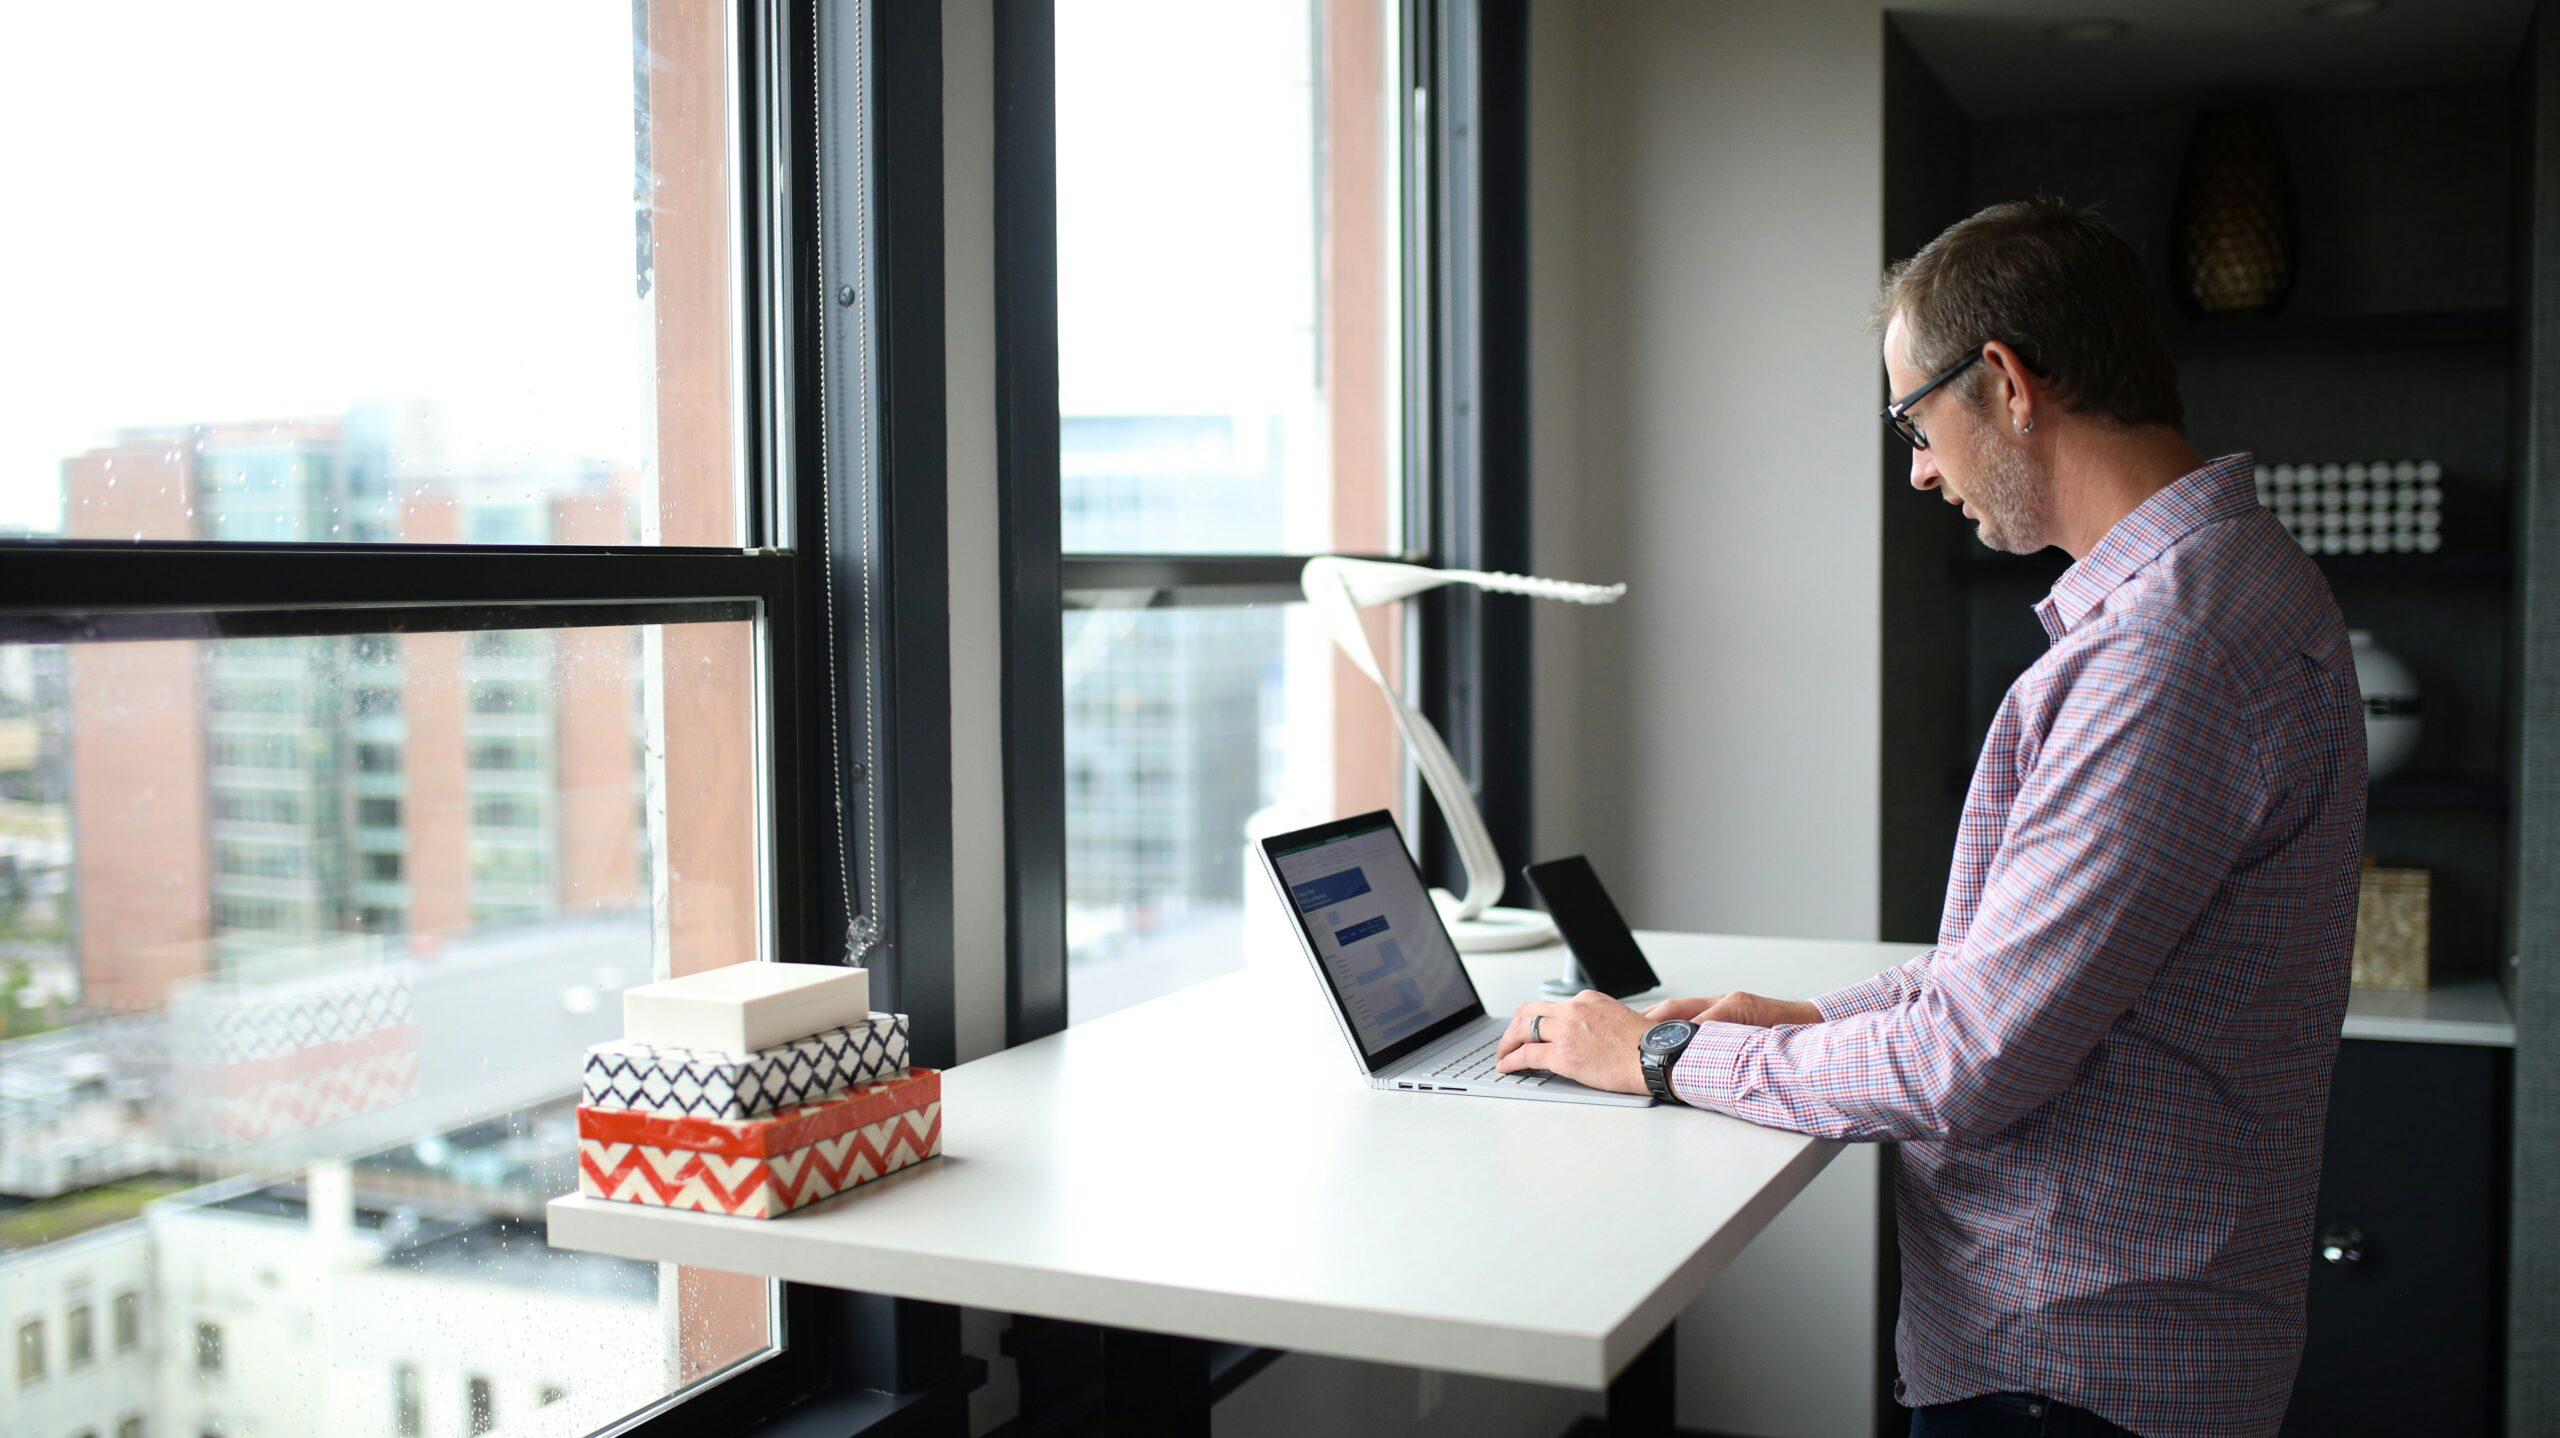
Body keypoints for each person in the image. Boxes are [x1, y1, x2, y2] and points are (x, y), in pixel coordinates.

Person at [1493, 199, 2367, 1438]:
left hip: (2069, 1371)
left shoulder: (2162, 656)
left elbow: (1966, 1061)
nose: (1915, 468)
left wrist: (1655, 1056)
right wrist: (1804, 1019)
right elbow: (2013, 984)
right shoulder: (2241, 583)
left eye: (1913, 420)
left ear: (2004, 382)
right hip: (2134, 1343)